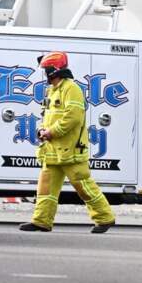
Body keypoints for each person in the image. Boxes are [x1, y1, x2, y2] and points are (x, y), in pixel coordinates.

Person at [19, 51, 116, 234]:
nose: (45, 73)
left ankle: (105, 218)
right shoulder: (52, 90)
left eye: (46, 69)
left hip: (70, 151)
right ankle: (41, 221)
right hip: (52, 150)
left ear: (54, 70)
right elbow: (46, 115)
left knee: (83, 186)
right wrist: (41, 130)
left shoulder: (71, 88)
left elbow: (73, 117)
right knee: (45, 189)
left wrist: (51, 132)